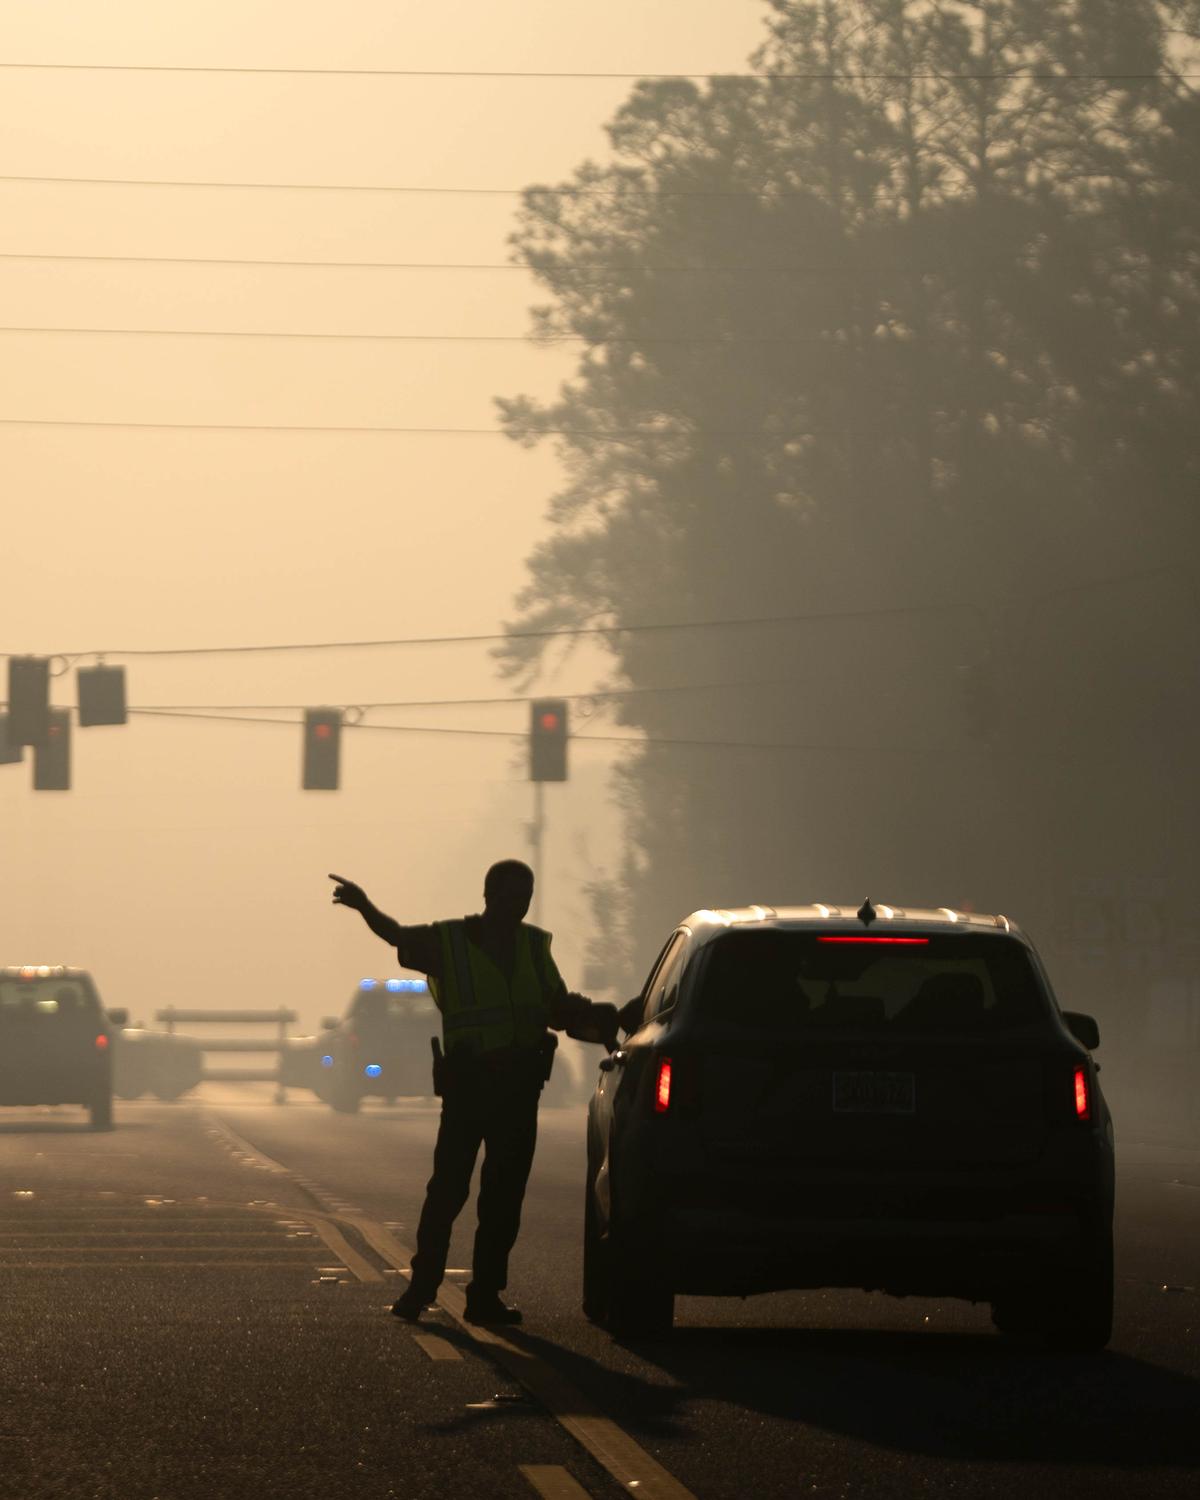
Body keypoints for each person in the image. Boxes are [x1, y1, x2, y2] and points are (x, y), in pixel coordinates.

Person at [328, 859, 619, 1325]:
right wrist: (365, 907)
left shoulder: (533, 946)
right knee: (447, 1192)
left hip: (519, 1093)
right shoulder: (451, 943)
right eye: (509, 897)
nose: (517, 907)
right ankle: (421, 1288)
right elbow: (400, 937)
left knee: (503, 1201)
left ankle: (485, 1296)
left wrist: (606, 1019)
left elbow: (557, 1007)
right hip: (469, 1092)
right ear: (488, 896)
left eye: (525, 897)